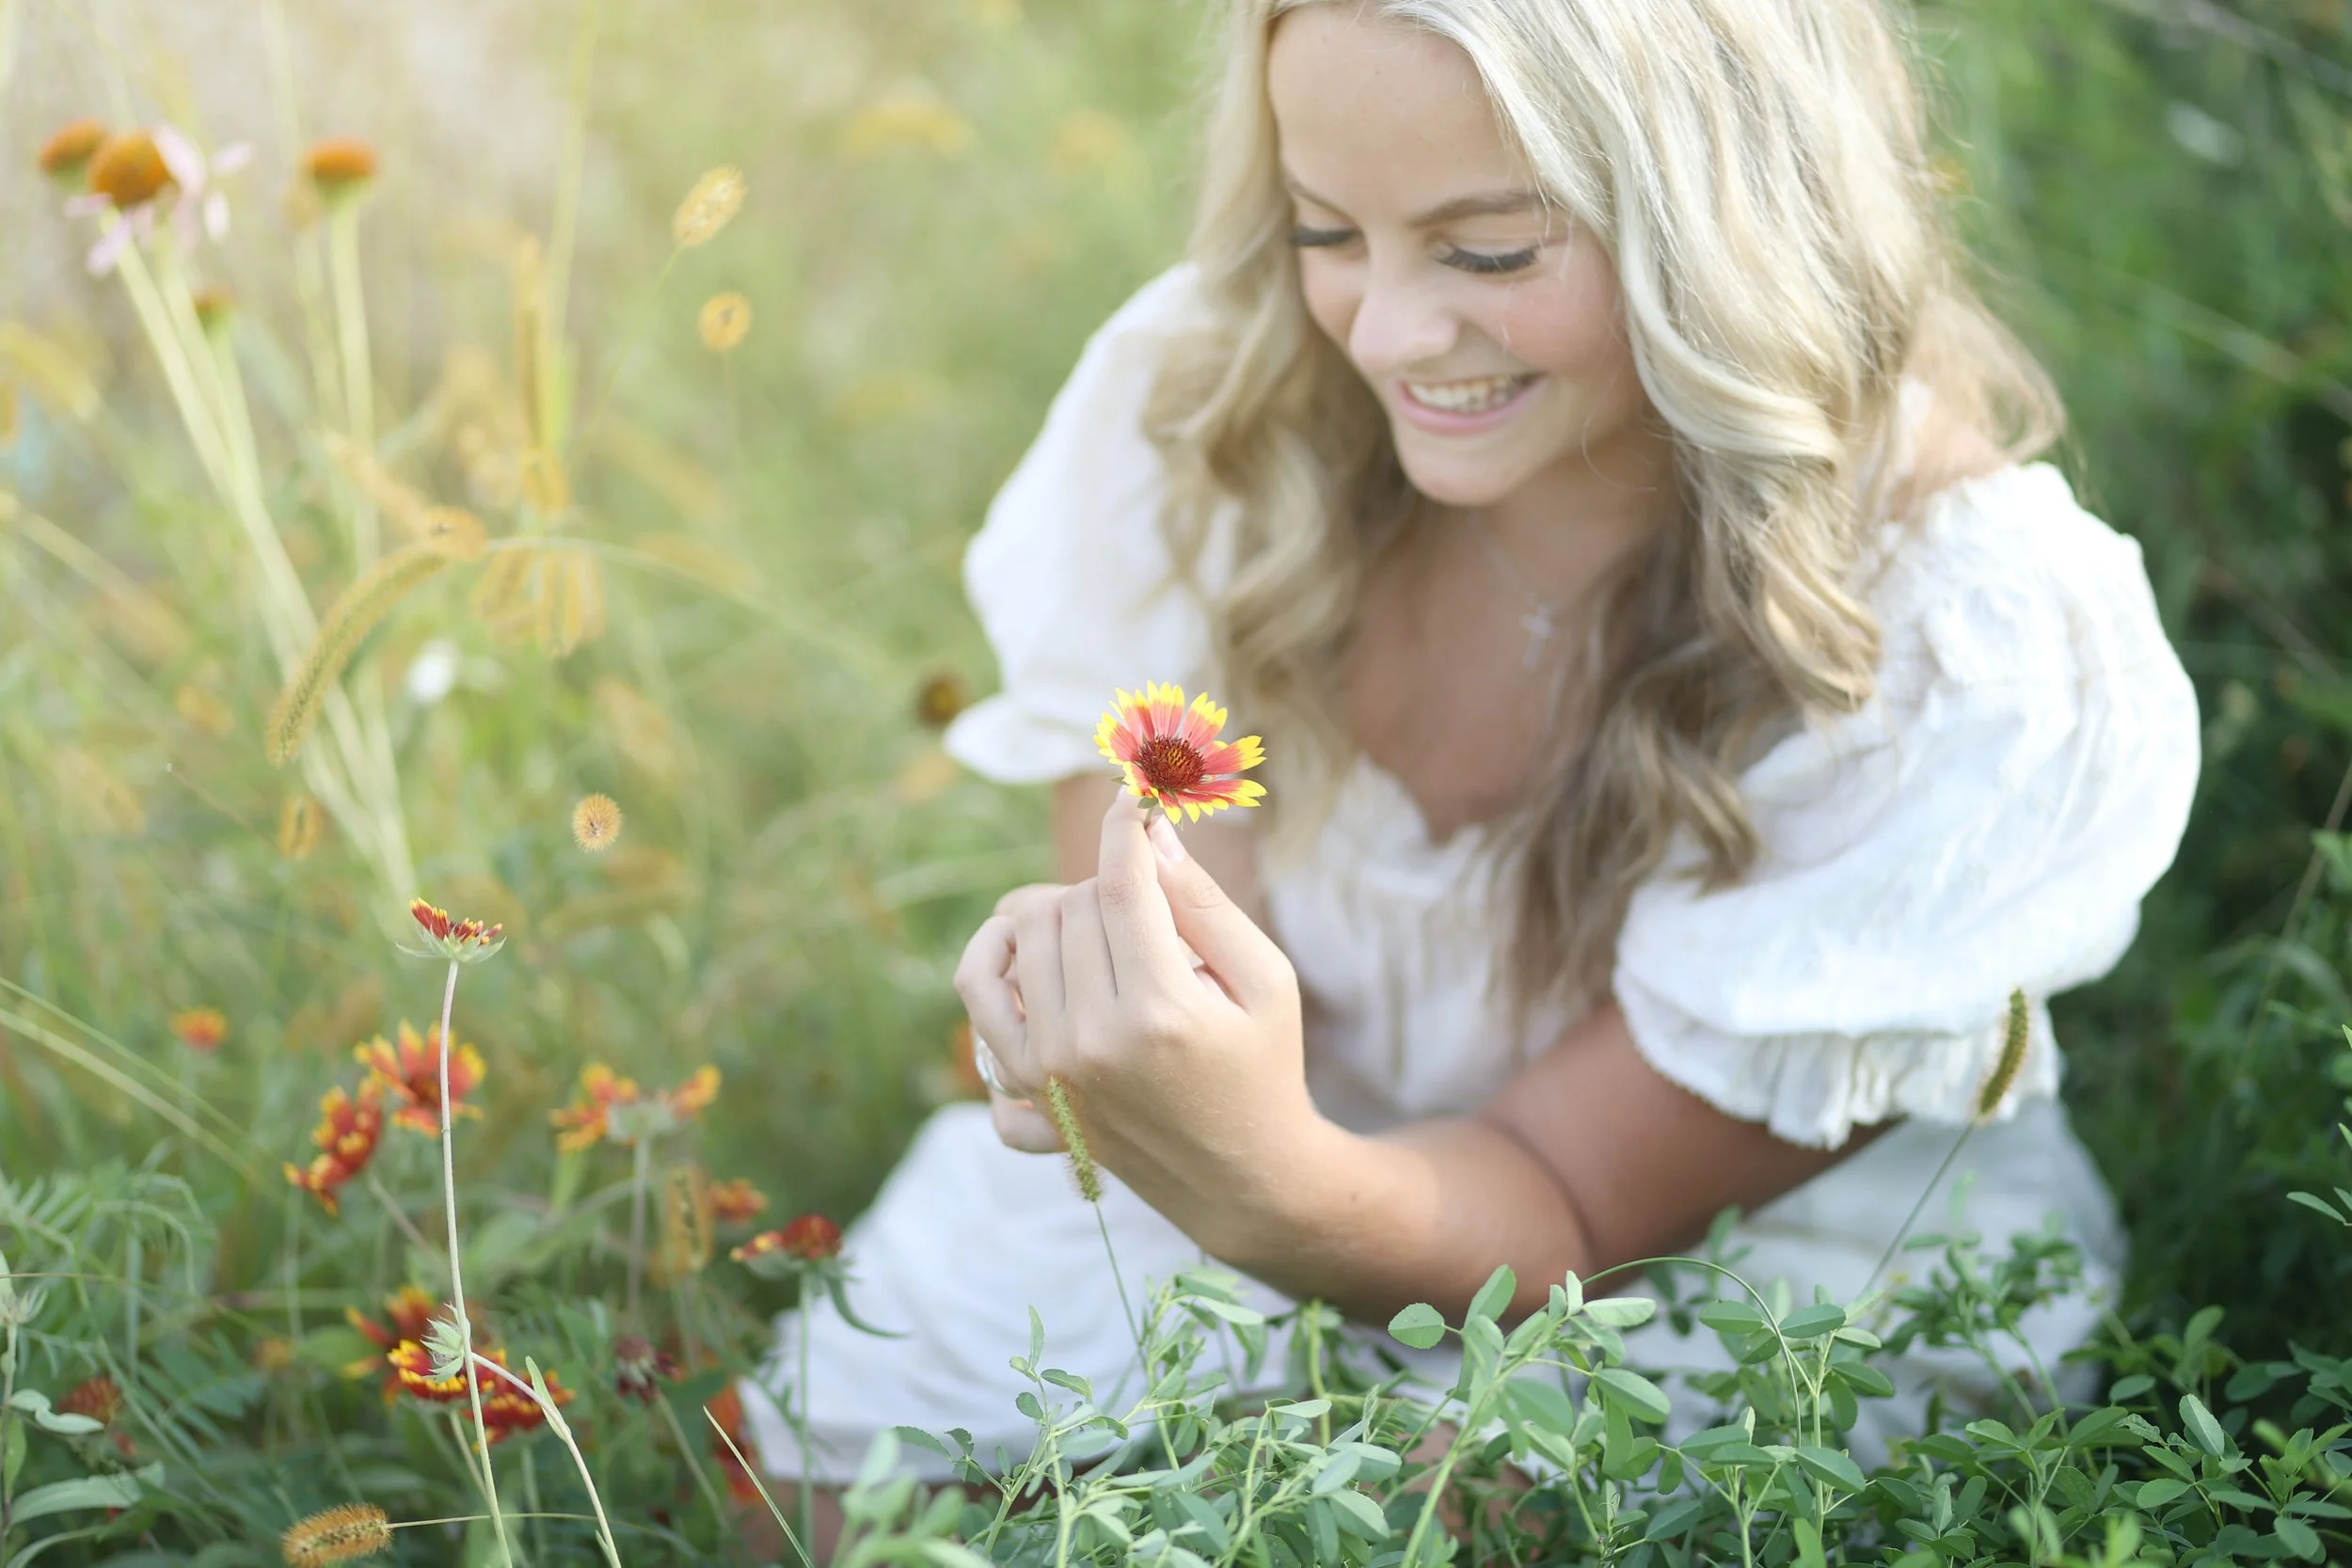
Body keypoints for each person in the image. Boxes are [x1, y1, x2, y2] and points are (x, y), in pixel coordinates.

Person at [739, 0, 2201, 1534]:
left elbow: (1567, 1213)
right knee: (822, 1491)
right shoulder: (1228, 418)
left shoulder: (1952, 640)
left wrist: (1278, 1184)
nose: (1380, 331)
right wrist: (1114, 1022)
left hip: (1696, 1272)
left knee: (1416, 1517)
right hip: (1282, 1143)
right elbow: (1177, 962)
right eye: (1326, 229)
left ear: (1725, 221)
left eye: (1489, 250)